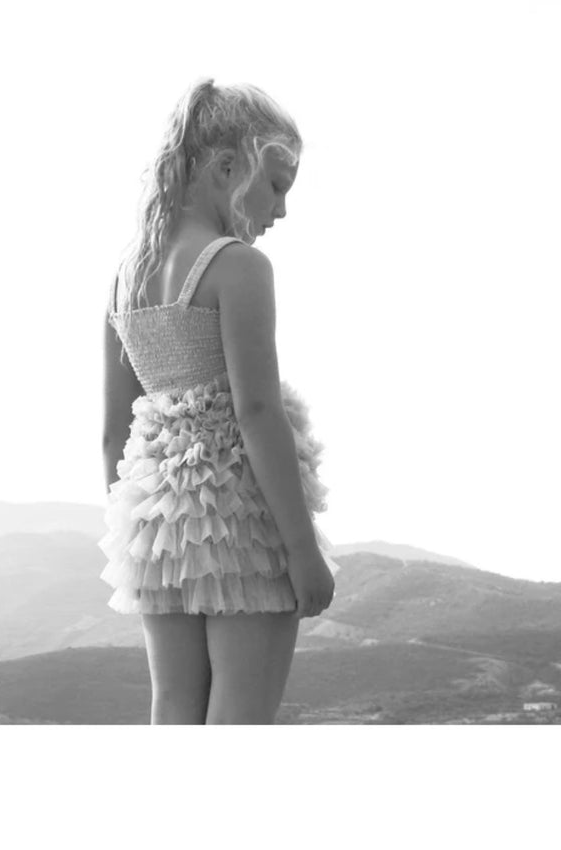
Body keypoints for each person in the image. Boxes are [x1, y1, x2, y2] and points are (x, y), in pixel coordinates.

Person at [99, 77, 339, 725]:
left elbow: (114, 432)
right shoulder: (238, 266)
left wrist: (134, 542)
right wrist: (301, 552)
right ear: (227, 168)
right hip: (244, 521)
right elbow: (257, 414)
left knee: (174, 708)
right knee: (240, 718)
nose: (281, 210)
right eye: (277, 185)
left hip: (159, 528)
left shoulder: (126, 278)